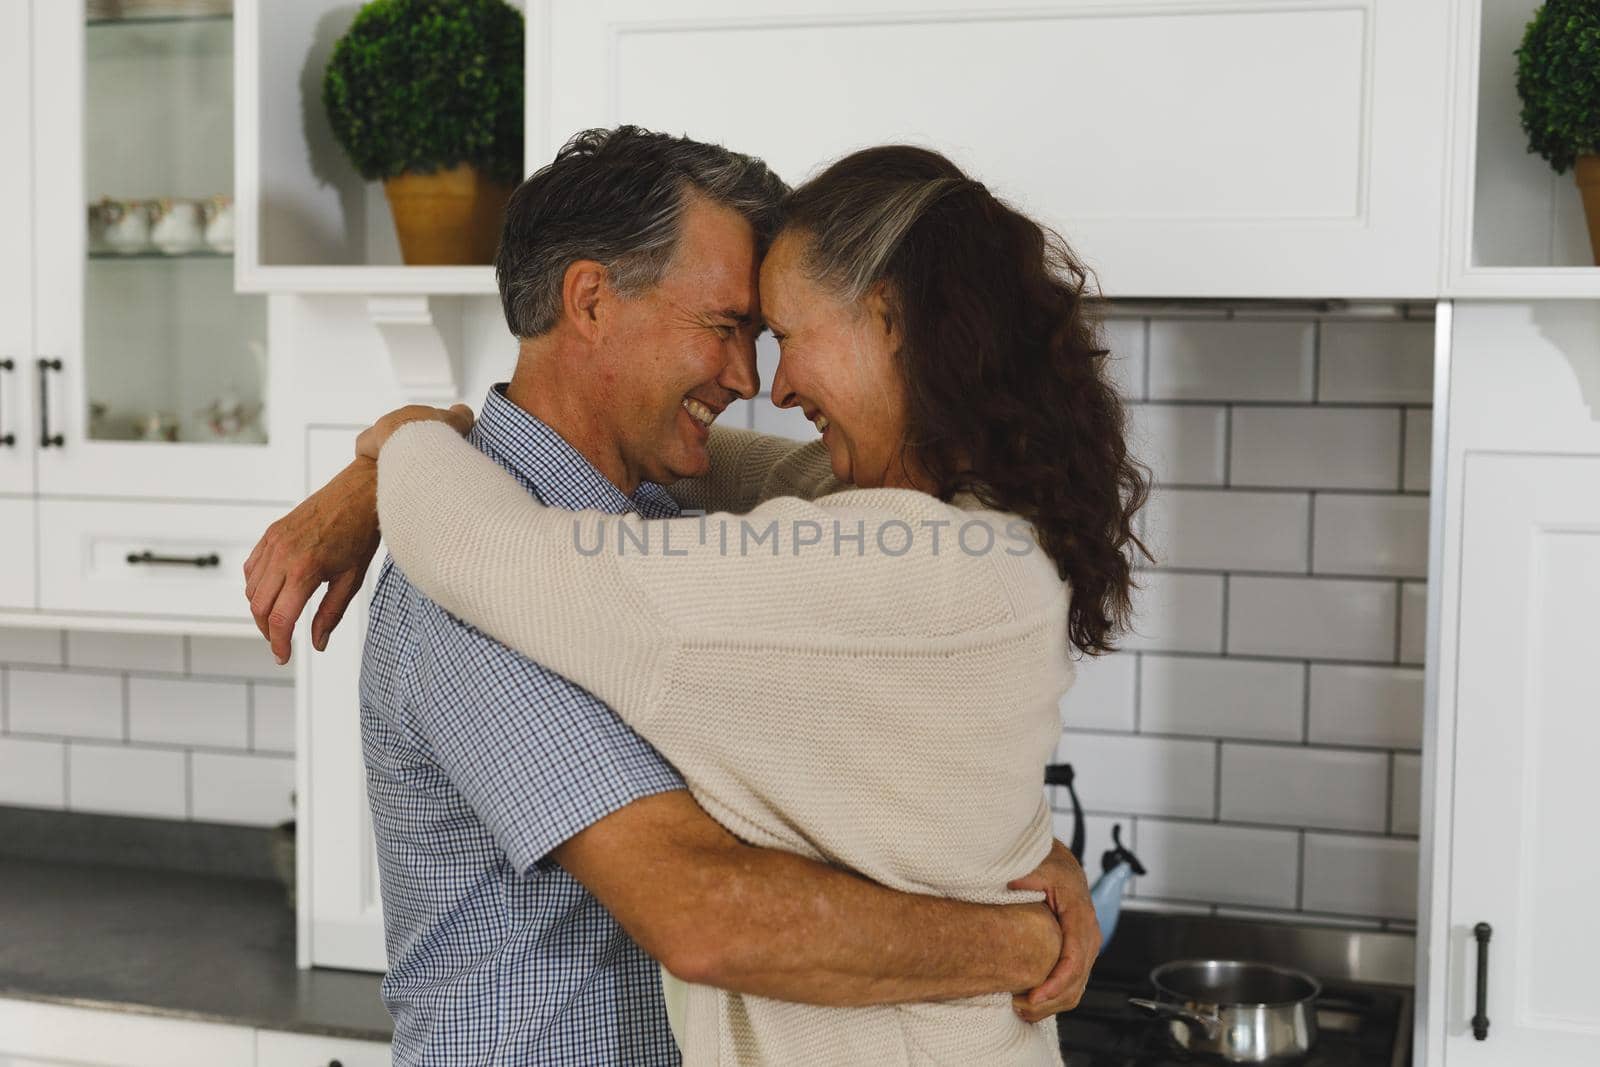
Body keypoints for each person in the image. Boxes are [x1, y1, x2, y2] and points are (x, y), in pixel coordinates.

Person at [244, 128, 1100, 1066]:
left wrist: (405, 448)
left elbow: (841, 503)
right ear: (592, 300)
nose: (750, 381)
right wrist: (1014, 936)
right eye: (726, 326)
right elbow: (701, 907)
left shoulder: (666, 536)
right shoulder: (473, 594)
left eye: (770, 336)